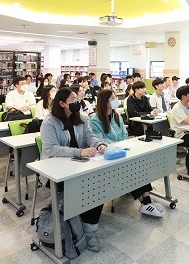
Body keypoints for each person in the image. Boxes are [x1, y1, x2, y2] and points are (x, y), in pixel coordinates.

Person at [40, 87, 108, 250]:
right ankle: (84, 231)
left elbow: (89, 136)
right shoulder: (49, 122)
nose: (77, 102)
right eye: (73, 100)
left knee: (99, 184)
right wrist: (79, 151)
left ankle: (89, 228)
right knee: (90, 187)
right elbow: (52, 149)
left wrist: (98, 144)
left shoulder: (82, 118)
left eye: (77, 99)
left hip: (78, 166)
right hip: (55, 171)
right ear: (62, 103)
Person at [89, 89, 165, 217]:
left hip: (121, 151)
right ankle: (145, 203)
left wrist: (124, 145)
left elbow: (124, 134)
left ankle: (147, 201)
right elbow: (99, 141)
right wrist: (117, 146)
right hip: (107, 155)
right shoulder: (95, 120)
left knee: (139, 165)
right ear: (105, 102)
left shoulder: (116, 115)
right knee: (130, 169)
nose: (116, 100)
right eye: (112, 98)